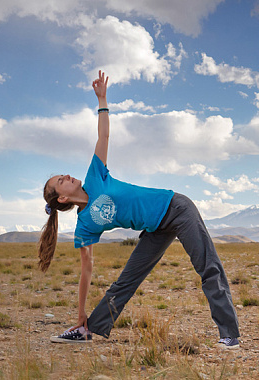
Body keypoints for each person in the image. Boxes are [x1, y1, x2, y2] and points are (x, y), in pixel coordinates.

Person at [38, 70, 240, 349]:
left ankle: (230, 335)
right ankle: (88, 329)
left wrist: (102, 100)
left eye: (64, 174)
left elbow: (104, 135)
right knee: (125, 281)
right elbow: (87, 269)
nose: (68, 176)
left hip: (176, 208)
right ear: (61, 199)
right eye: (61, 181)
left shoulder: (96, 176)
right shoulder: (84, 224)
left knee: (208, 268)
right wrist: (80, 312)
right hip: (156, 228)